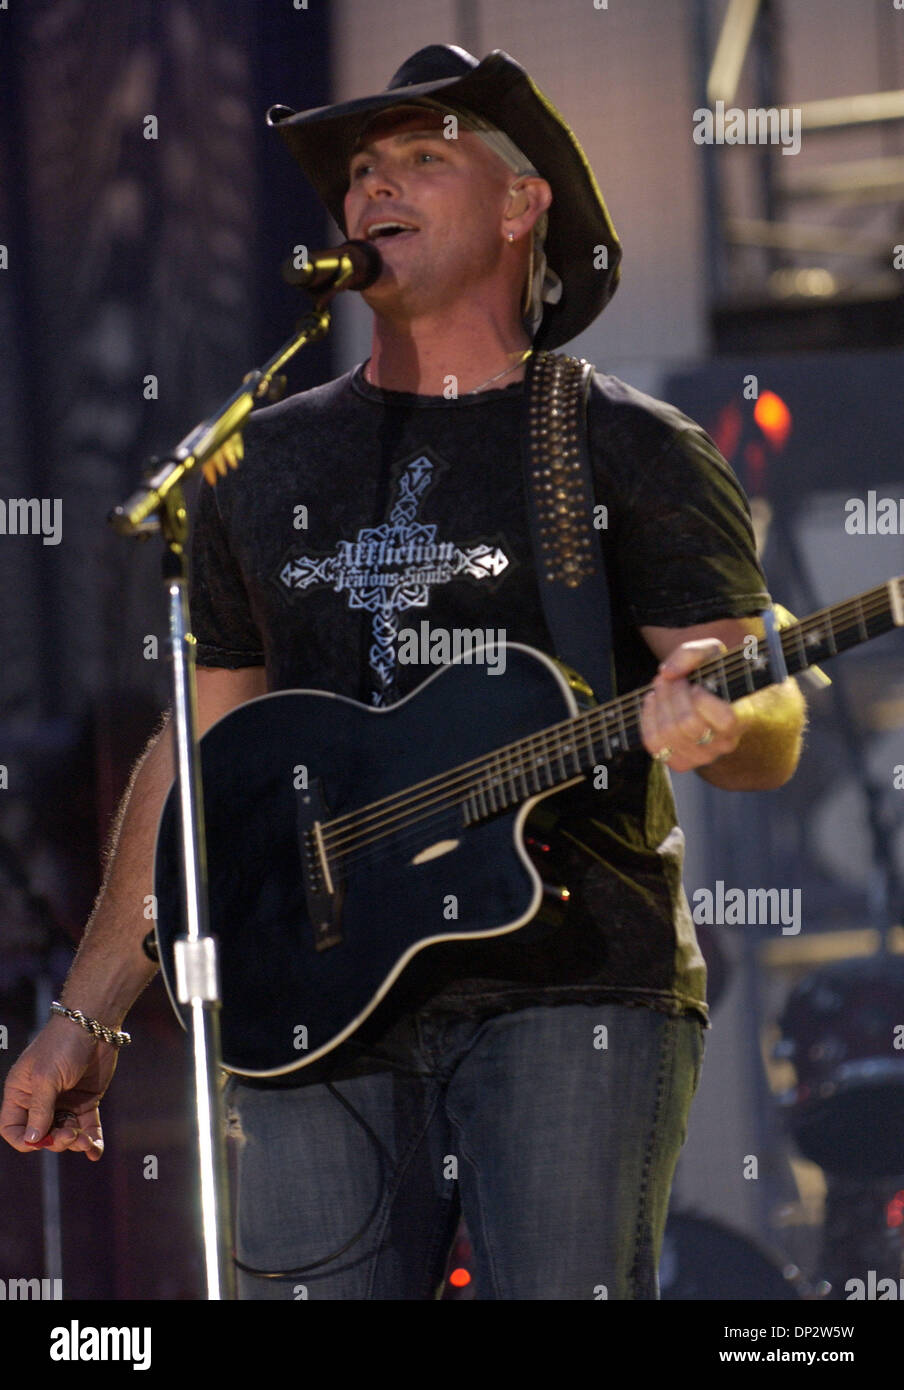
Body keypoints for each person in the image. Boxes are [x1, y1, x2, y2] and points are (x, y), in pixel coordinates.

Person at [0, 45, 806, 1300]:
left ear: (522, 202)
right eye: (361, 168)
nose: (373, 186)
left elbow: (759, 694)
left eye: (423, 157)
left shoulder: (620, 443)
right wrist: (90, 1010)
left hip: (566, 984)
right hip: (307, 999)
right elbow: (197, 759)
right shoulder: (255, 464)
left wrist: (725, 717)